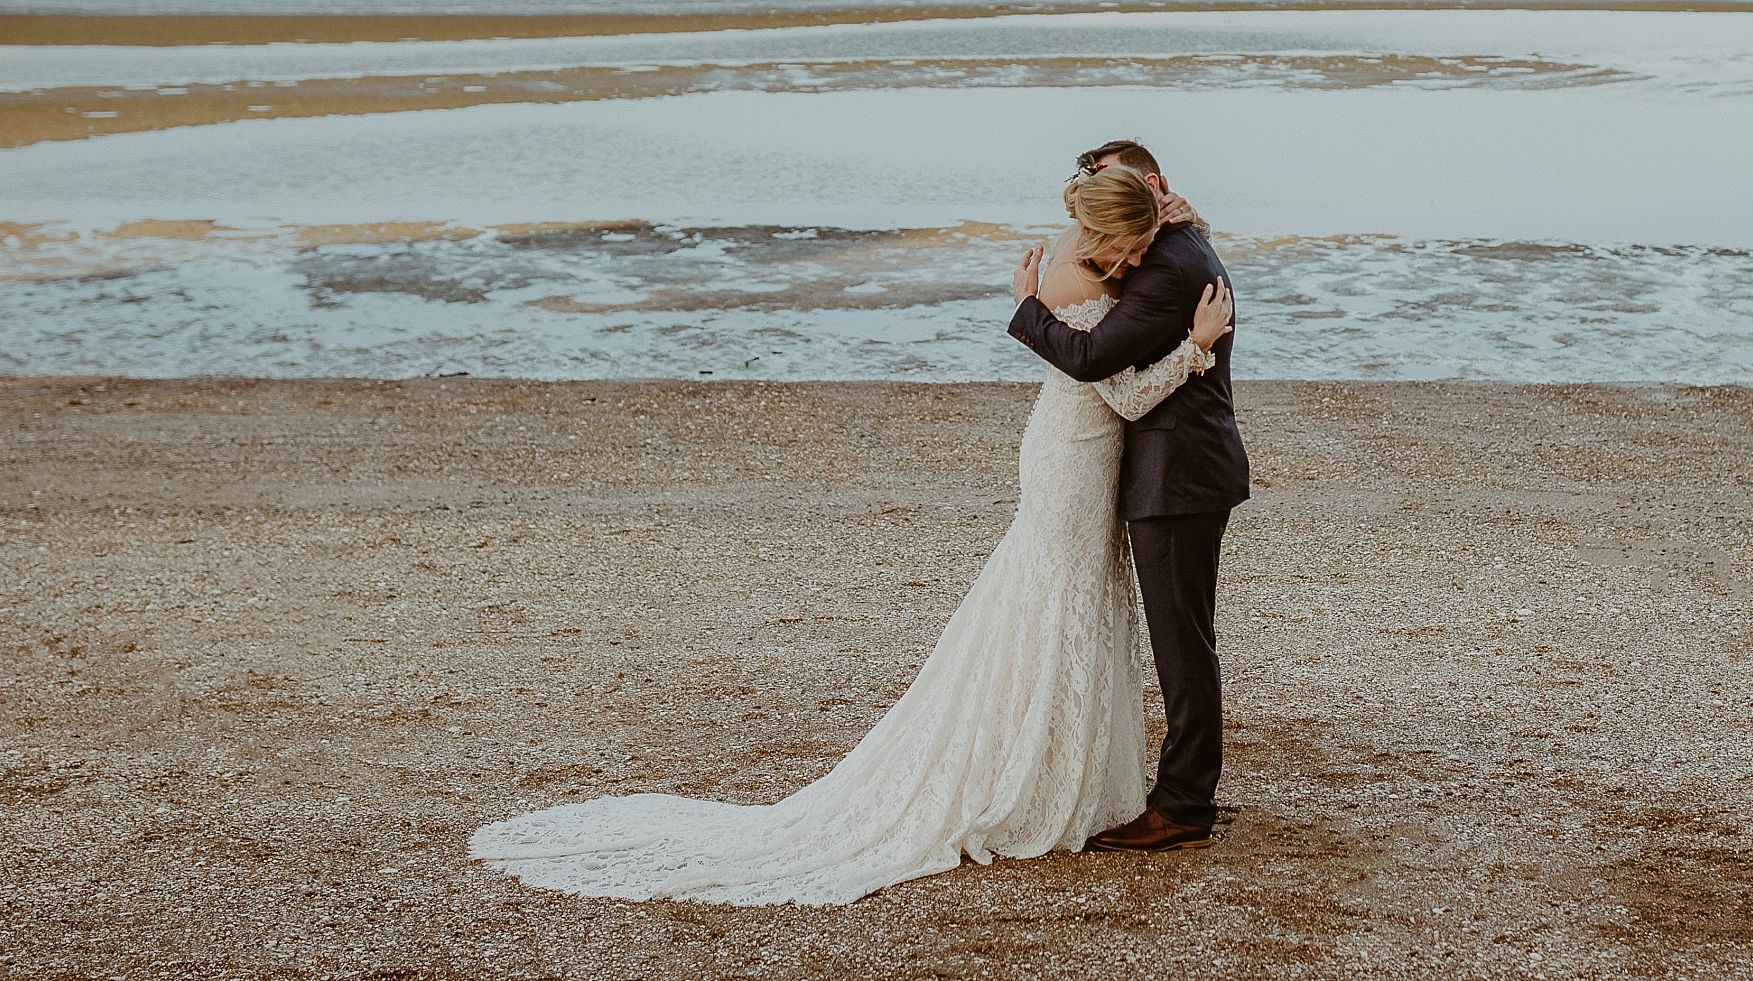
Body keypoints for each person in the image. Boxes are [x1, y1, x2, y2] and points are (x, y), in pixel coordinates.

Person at [469, 163, 1232, 904]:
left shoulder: (1094, 259)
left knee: (1079, 610)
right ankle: (1042, 779)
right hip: (1073, 458)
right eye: (1129, 248)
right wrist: (1193, 349)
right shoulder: (1071, 279)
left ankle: (1078, 776)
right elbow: (1117, 385)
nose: (1137, 261)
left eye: (1141, 245)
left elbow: (1114, 349)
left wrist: (1168, 245)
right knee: (1057, 605)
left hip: (1088, 456)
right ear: (1098, 228)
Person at [1006, 138, 1248, 853]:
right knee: (1184, 642)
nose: (1105, 241)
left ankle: (1183, 807)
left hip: (1177, 477)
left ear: (1153, 185)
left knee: (1181, 647)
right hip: (1163, 469)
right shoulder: (1177, 242)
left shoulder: (1165, 269)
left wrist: (1024, 305)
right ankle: (1184, 790)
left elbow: (1091, 360)